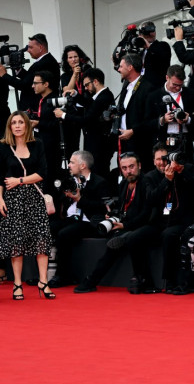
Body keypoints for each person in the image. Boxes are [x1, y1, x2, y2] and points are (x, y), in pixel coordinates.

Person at [74, 152, 158, 294]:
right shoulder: (124, 183)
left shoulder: (147, 182)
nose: (128, 171)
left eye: (131, 167)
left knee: (130, 238)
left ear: (139, 166)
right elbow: (122, 206)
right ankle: (92, 280)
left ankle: (142, 280)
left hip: (147, 224)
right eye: (124, 168)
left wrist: (126, 226)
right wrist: (112, 215)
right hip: (127, 224)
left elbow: (147, 213)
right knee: (113, 242)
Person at [0, 111, 55, 300]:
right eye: (13, 122)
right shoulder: (4, 147)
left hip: (35, 198)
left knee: (42, 240)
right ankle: (17, 284)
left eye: (20, 122)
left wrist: (19, 180)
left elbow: (42, 173)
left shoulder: (37, 144)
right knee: (17, 243)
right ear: (9, 126)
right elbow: (0, 177)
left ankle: (43, 282)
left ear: (26, 125)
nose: (17, 126)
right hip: (13, 200)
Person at [138, 145, 194, 292]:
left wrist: (182, 172)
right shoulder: (150, 177)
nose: (162, 162)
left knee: (169, 235)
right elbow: (151, 199)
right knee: (135, 238)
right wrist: (166, 181)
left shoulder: (186, 169)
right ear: (153, 161)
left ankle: (170, 281)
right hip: (160, 221)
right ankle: (143, 279)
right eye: (158, 159)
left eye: (165, 158)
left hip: (184, 220)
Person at [48, 150, 109, 289]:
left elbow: (101, 207)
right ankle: (42, 274)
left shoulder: (99, 182)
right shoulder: (68, 182)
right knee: (48, 227)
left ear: (83, 166)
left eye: (72, 162)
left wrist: (80, 199)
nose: (68, 165)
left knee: (64, 234)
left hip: (90, 222)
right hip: (71, 219)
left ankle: (63, 276)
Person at [54, 68, 116, 180]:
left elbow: (87, 119)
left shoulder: (104, 97)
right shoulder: (100, 96)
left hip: (100, 143)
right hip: (96, 141)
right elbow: (90, 104)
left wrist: (63, 115)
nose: (86, 88)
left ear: (95, 82)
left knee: (99, 171)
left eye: (87, 85)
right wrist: (76, 94)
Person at [145, 65, 194, 162]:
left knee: (187, 173)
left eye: (180, 85)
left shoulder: (191, 94)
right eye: (174, 84)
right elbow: (147, 122)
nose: (177, 88)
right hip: (163, 142)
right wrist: (162, 120)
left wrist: (188, 119)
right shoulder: (154, 96)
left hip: (185, 142)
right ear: (167, 77)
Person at [0, 33, 60, 112]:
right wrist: (18, 69)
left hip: (36, 108)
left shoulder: (44, 63)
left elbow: (24, 85)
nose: (28, 50)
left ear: (40, 47)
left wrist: (4, 75)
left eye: (31, 47)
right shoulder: (45, 61)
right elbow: (30, 78)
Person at [116, 54, 155, 170]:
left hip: (140, 143)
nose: (118, 69)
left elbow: (150, 118)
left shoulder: (147, 88)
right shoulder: (126, 86)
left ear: (130, 67)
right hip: (124, 141)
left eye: (121, 66)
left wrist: (133, 131)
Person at [59, 45, 92, 158]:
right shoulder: (65, 76)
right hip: (72, 110)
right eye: (70, 57)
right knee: (72, 143)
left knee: (90, 140)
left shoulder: (87, 71)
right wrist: (74, 74)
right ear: (66, 60)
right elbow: (67, 91)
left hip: (87, 108)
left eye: (75, 56)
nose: (73, 59)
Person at [138, 21, 172, 89]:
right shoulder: (141, 53)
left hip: (157, 87)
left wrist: (148, 45)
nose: (150, 34)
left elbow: (161, 58)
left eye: (152, 31)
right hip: (143, 88)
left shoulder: (162, 45)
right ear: (141, 34)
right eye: (147, 32)